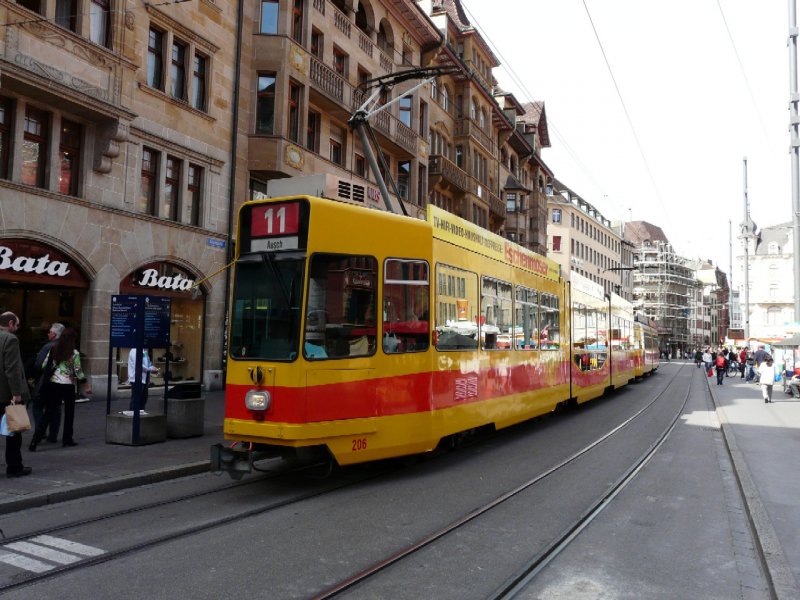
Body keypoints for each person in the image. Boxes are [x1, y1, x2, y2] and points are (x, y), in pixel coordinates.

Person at [30, 328, 91, 450]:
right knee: (69, 414)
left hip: (54, 384)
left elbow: (43, 365)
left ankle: (34, 442)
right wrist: (85, 384)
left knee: (48, 413)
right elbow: (78, 371)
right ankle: (67, 439)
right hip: (68, 386)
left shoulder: (54, 349)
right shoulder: (74, 353)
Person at [0, 312, 32, 477]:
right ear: (11, 323)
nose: (17, 329)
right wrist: (17, 393)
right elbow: (12, 369)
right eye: (17, 325)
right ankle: (14, 467)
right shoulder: (10, 339)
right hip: (7, 395)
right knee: (14, 432)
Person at [31, 322, 64, 442]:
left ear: (54, 334)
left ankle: (40, 431)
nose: (48, 333)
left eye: (50, 332)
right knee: (55, 408)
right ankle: (53, 435)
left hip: (47, 381)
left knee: (37, 405)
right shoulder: (67, 346)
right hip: (61, 382)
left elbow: (39, 365)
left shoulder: (48, 347)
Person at [127, 347, 159, 412]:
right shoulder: (134, 350)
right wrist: (150, 369)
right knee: (136, 399)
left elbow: (148, 363)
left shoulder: (144, 351)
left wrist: (153, 368)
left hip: (144, 378)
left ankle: (141, 414)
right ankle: (132, 415)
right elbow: (138, 364)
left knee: (143, 398)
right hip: (136, 378)